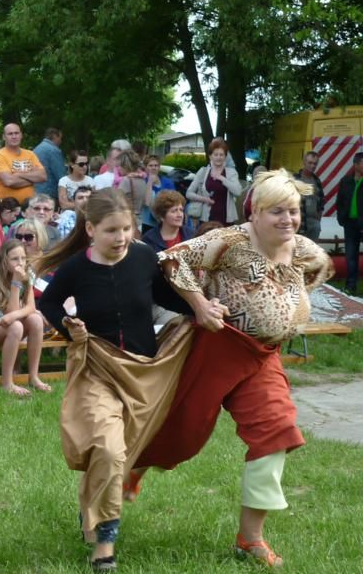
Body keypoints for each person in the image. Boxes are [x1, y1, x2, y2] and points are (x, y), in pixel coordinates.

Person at [134, 169, 333, 568]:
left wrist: (284, 306)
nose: (287, 220)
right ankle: (125, 475)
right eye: (276, 211)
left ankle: (250, 538)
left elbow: (320, 268)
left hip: (263, 356)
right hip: (219, 347)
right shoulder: (229, 240)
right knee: (181, 434)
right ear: (255, 212)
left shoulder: (303, 249)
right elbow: (172, 259)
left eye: (292, 211)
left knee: (277, 433)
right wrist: (201, 304)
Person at [35, 188, 194, 572]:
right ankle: (105, 543)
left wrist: (199, 307)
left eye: (127, 228)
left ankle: (91, 509)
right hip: (97, 369)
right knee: (107, 449)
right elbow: (49, 303)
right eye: (111, 230)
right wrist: (67, 325)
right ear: (90, 229)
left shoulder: (142, 257)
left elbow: (165, 296)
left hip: (142, 369)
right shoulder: (76, 267)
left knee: (120, 456)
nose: (121, 237)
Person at [0, 239, 49, 396]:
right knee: (16, 326)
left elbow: (30, 307)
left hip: (9, 324)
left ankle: (33, 377)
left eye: (23, 258)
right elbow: (10, 313)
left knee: (36, 320)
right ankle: (7, 383)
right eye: (14, 259)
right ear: (4, 260)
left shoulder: (25, 276)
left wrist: (25, 312)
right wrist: (16, 283)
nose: (20, 263)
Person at [186, 138, 242, 226]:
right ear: (210, 156)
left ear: (225, 156)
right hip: (206, 220)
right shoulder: (203, 171)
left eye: (221, 155)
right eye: (215, 154)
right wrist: (204, 199)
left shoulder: (231, 172)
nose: (218, 157)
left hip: (226, 220)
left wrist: (222, 178)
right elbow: (189, 193)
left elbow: (238, 192)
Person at [0, 123, 46, 204]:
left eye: (16, 133)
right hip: (7, 209)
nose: (14, 136)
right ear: (4, 137)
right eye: (10, 134)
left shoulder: (30, 154)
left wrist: (19, 174)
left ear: (21, 135)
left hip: (29, 207)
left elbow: (43, 176)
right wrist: (33, 179)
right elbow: (9, 181)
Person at [335, 152, 363, 295]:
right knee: (351, 256)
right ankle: (350, 286)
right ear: (356, 165)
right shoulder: (345, 181)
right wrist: (341, 218)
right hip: (350, 225)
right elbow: (339, 201)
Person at [140, 154, 175, 234]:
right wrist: (150, 182)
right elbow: (147, 202)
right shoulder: (142, 182)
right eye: (150, 165)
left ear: (159, 167)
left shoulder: (167, 182)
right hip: (147, 222)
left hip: (164, 220)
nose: (153, 168)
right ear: (145, 168)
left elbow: (173, 200)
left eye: (156, 165)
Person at [294, 151, 324, 242]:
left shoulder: (316, 180)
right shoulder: (295, 179)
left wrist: (318, 218)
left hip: (314, 221)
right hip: (299, 221)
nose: (312, 166)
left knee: (312, 251)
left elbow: (321, 200)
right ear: (304, 162)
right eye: (310, 163)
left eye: (315, 163)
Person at [117, 150, 147, 231]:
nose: (118, 168)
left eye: (119, 165)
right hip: (140, 221)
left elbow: (117, 202)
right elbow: (145, 202)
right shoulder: (142, 180)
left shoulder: (126, 181)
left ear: (125, 166)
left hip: (128, 222)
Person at [33, 127, 67, 199]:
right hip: (50, 192)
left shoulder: (36, 149)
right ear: (54, 136)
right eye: (60, 138)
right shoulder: (54, 150)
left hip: (36, 191)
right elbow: (61, 175)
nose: (61, 141)